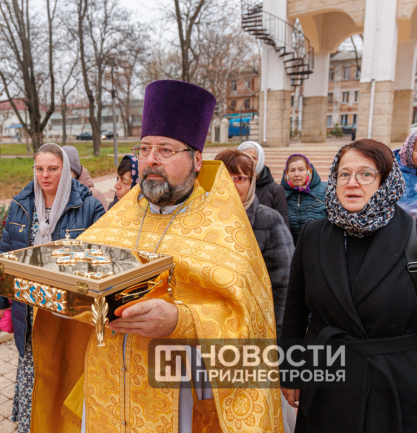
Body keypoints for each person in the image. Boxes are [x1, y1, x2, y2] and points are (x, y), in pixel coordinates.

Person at [30, 80, 283, 432]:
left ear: (196, 159)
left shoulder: (226, 227)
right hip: (106, 383)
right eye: (145, 148)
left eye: (165, 149)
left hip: (177, 389)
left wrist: (181, 320)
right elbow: (79, 277)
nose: (150, 159)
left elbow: (248, 316)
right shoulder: (120, 216)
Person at [280, 139, 417, 433]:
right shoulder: (313, 235)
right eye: (344, 174)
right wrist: (292, 372)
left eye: (366, 174)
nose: (352, 183)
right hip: (327, 387)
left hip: (399, 393)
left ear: (386, 181)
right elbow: (295, 312)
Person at [0, 142, 105, 433]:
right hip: (29, 309)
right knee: (36, 370)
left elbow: (101, 258)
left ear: (66, 170)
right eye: (39, 169)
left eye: (53, 168)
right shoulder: (21, 205)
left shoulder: (89, 205)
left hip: (70, 310)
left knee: (69, 369)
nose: (45, 175)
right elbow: (6, 253)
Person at [216, 149, 297, 433]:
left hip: (255, 337)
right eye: (225, 178)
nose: (233, 185)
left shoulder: (268, 220)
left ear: (251, 182)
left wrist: (279, 344)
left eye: (240, 178)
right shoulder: (199, 222)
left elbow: (285, 286)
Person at [238, 140, 290, 227]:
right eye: (243, 158)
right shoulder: (234, 186)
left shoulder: (275, 190)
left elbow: (282, 223)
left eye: (253, 158)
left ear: (260, 160)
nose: (247, 161)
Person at [282, 154, 327, 244]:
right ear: (287, 173)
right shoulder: (280, 193)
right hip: (290, 249)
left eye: (301, 170)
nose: (296, 174)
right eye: (292, 170)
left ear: (309, 171)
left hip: (319, 247)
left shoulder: (325, 190)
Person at [62, 145, 109, 210]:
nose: (62, 175)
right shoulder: (55, 195)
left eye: (66, 170)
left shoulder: (94, 195)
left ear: (75, 172)